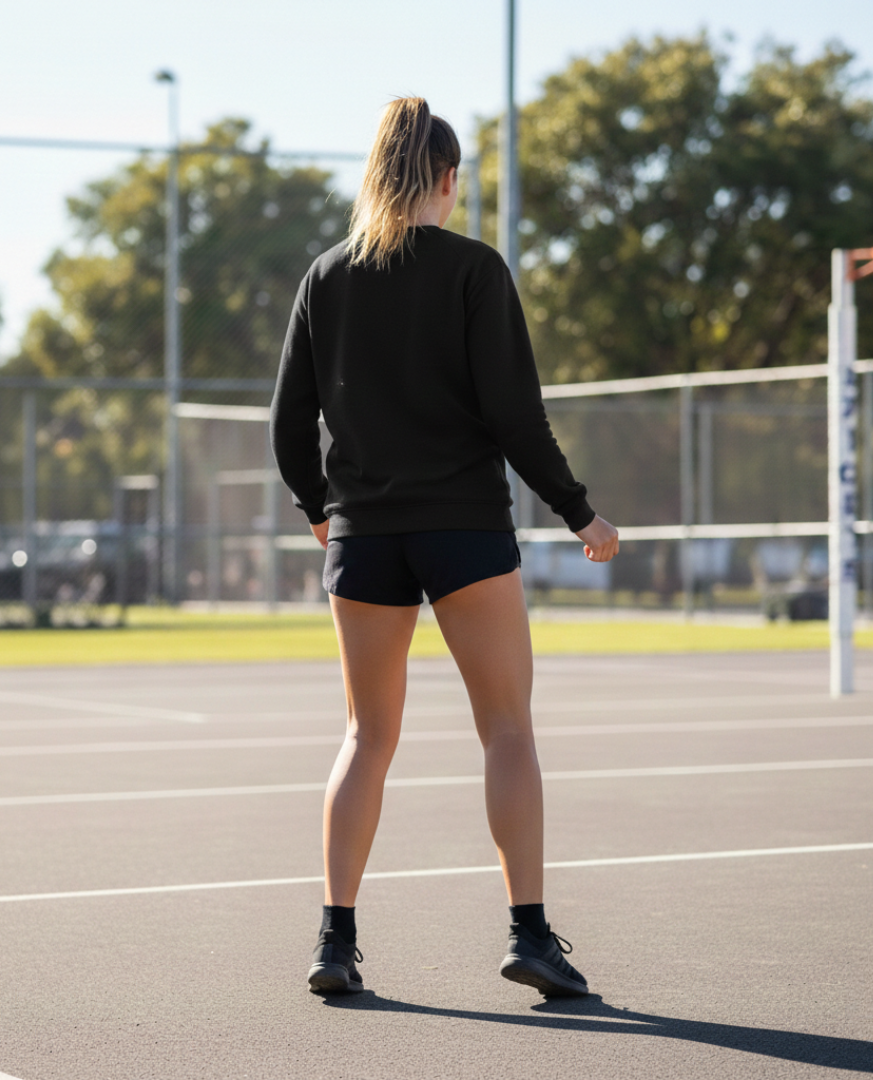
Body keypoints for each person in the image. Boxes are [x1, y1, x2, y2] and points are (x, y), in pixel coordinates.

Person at [271, 97, 619, 999]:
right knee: (507, 730)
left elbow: (286, 427)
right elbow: (515, 417)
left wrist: (322, 510)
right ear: (448, 180)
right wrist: (580, 514)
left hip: (366, 540)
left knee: (365, 737)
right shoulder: (475, 270)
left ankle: (334, 944)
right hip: (464, 531)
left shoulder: (326, 275)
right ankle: (530, 938)